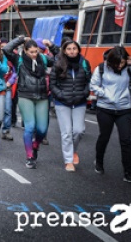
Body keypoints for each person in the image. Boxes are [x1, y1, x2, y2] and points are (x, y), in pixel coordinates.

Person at [90, 47, 131, 184]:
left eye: (122, 63)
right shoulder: (102, 68)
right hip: (105, 108)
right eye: (117, 63)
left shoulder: (129, 68)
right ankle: (99, 162)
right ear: (111, 61)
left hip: (124, 109)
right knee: (104, 137)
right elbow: (93, 86)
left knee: (126, 140)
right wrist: (106, 95)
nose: (120, 66)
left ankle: (128, 173)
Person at [3, 36, 58, 169]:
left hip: (42, 97)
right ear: (25, 50)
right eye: (31, 51)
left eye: (36, 51)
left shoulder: (44, 59)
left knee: (42, 129)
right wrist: (21, 39)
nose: (34, 54)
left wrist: (51, 45)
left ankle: (35, 146)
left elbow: (61, 58)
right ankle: (30, 157)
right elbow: (6, 49)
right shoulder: (18, 60)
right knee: (29, 126)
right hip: (25, 96)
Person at [49, 39, 91, 172]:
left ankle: (74, 150)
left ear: (78, 49)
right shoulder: (58, 64)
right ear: (64, 51)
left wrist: (85, 93)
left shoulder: (84, 63)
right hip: (62, 102)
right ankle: (68, 160)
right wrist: (60, 95)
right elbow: (52, 84)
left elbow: (90, 81)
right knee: (66, 132)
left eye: (74, 48)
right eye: (69, 49)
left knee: (79, 130)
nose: (72, 51)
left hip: (80, 102)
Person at [1, 38, 16, 140]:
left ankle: (6, 130)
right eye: (2, 47)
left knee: (7, 109)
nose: (4, 49)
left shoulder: (13, 58)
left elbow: (16, 72)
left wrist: (10, 82)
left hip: (7, 87)